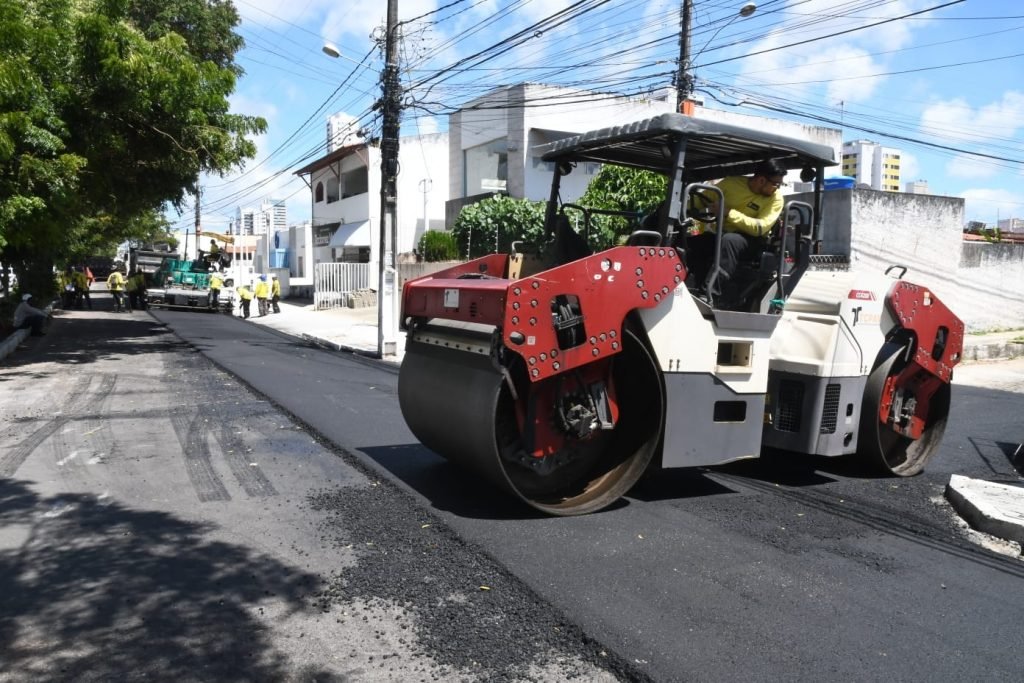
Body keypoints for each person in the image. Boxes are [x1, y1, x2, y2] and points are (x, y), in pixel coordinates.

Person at [685, 159, 787, 293]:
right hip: (722, 234)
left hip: (752, 241)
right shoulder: (731, 184)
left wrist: (728, 213)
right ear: (761, 180)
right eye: (776, 184)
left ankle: (711, 293)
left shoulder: (776, 199)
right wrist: (680, 209)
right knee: (695, 242)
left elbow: (760, 228)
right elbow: (702, 200)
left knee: (730, 241)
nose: (777, 188)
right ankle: (686, 285)